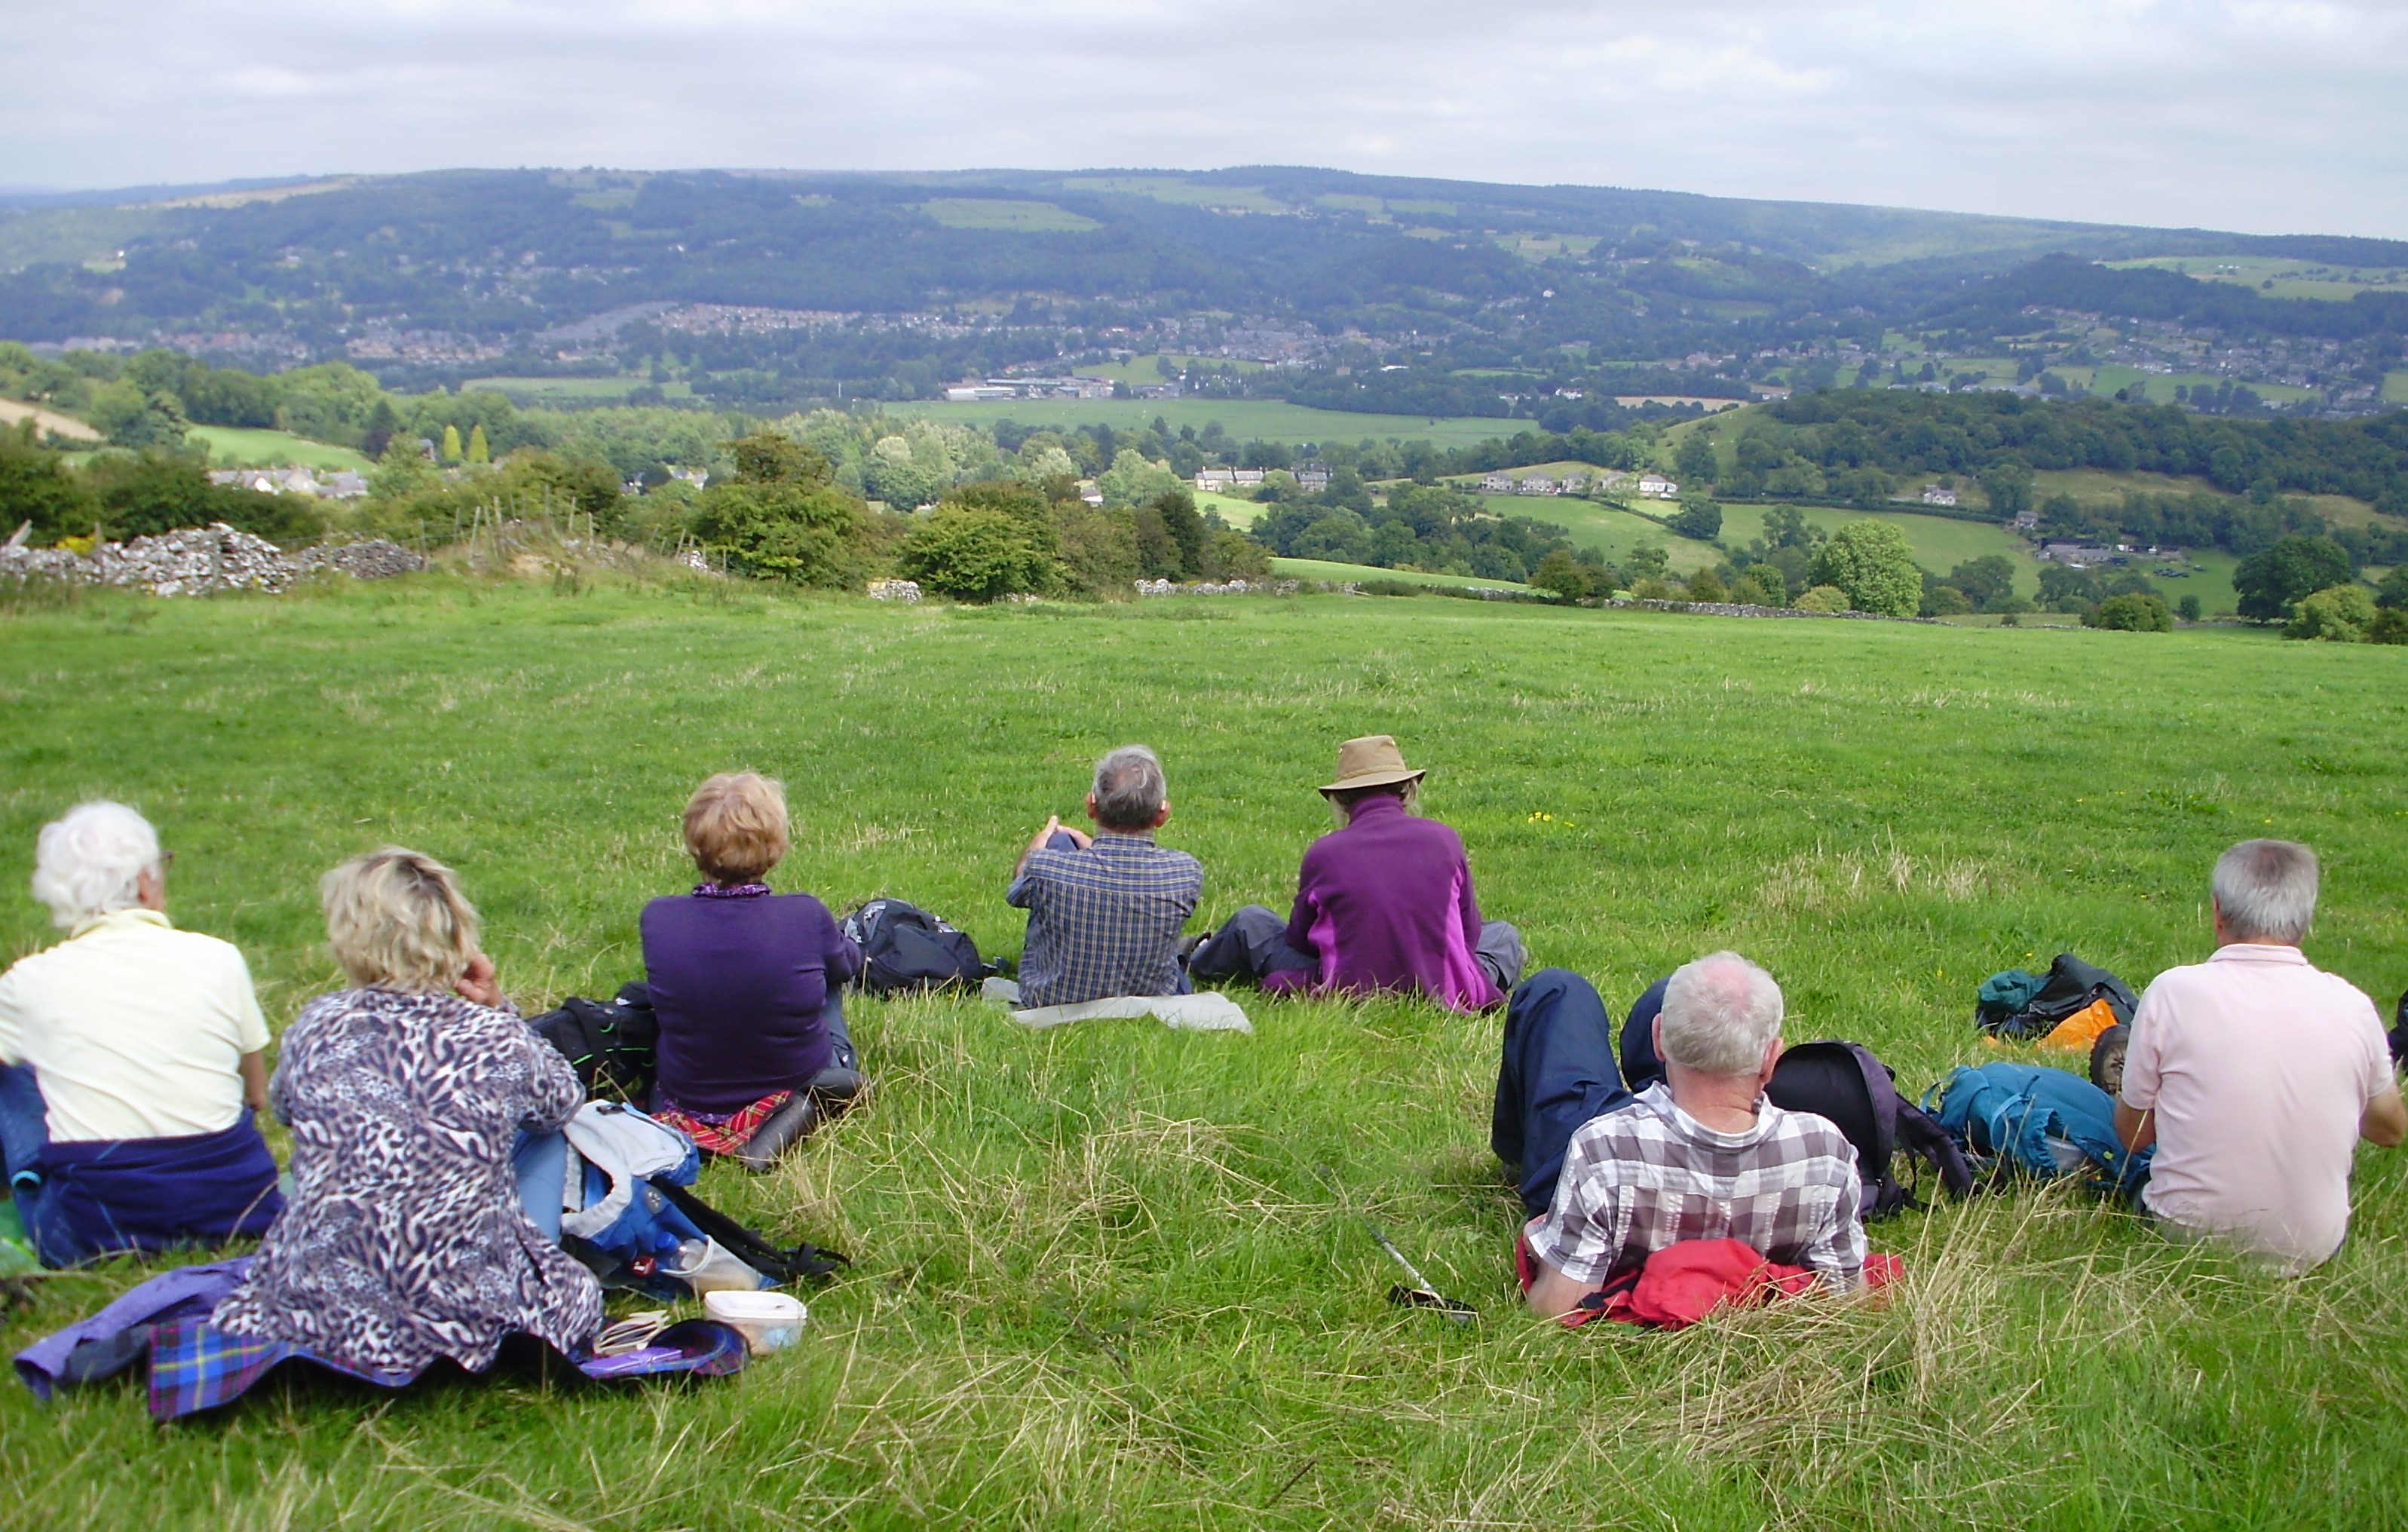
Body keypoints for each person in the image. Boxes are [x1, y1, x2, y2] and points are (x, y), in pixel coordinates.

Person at [210, 848, 603, 1373]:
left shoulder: (317, 1025)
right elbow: (564, 1101)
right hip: (471, 1319)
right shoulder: (494, 1037)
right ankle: (523, 1254)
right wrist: (498, 1008)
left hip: (319, 1319)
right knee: (549, 1136)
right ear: (456, 934)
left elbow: (284, 1109)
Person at [1508, 954, 1866, 1319]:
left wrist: (1541, 1244)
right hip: (1683, 1135)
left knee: (1559, 991)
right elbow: (1845, 1293)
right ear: (1771, 1058)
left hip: (1629, 1156)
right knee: (1686, 997)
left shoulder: (1602, 1148)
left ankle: (1512, 1152)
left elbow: (1556, 1308)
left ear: (1658, 1039)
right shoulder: (1825, 1151)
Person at [0, 801, 282, 1267]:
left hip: (93, 1232)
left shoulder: (28, 982)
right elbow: (256, 1095)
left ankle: (31, 1186)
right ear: (148, 883)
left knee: (14, 1075)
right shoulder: (219, 958)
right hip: (236, 1209)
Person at [2115, 839, 2404, 1274]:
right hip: (2313, 1248)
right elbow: (2391, 1130)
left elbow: (2133, 1134)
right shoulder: (2354, 1007)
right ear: (2304, 922)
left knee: (2095, 1117)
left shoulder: (2173, 992)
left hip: (2184, 1235)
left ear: (2216, 913)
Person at [1190, 735, 1521, 1010]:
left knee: (1253, 921)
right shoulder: (1444, 839)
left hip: (1349, 985)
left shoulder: (1325, 853)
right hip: (1442, 984)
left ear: (1341, 801)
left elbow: (1300, 941)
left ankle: (1193, 958)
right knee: (1504, 936)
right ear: (1406, 791)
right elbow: (1470, 935)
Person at [641, 772, 865, 1172]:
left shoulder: (658, 917)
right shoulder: (805, 914)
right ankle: (790, 1110)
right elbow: (849, 966)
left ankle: (703, 1127)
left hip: (687, 1091)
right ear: (775, 845)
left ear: (695, 841)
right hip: (794, 1074)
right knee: (828, 979)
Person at [1003, 744, 1203, 1009]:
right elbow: (1122, 878)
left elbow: (1018, 886)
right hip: (1152, 997)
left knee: (1060, 844)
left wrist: (1044, 837)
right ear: (1162, 814)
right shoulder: (1185, 872)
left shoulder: (1045, 867)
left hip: (1051, 998)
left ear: (1091, 805)